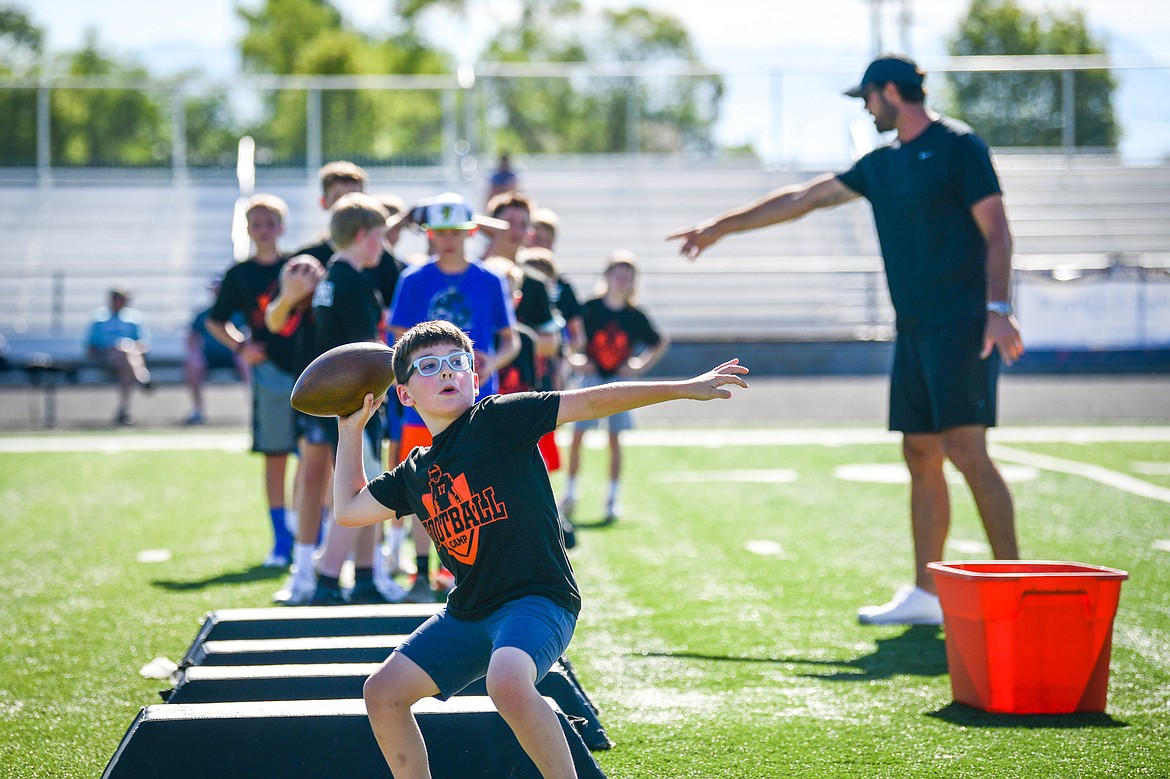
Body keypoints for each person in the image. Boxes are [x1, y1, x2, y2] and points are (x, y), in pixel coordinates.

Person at [667, 54, 1024, 626]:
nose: (866, 108)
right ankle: (927, 593)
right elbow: (802, 198)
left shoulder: (960, 146)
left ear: (890, 92)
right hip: (912, 330)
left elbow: (998, 231)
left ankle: (1014, 587)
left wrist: (998, 310)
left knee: (966, 450)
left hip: (963, 324)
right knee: (920, 452)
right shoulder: (880, 164)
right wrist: (720, 227)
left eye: (867, 98)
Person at [332, 319, 750, 779]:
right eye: (429, 366)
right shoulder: (415, 471)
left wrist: (684, 388)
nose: (447, 373)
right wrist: (349, 430)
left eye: (457, 363)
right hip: (469, 612)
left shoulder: (498, 419)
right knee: (382, 692)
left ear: (476, 376)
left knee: (507, 680)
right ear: (405, 394)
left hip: (538, 599)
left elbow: (591, 400)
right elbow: (349, 509)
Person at [388, 192, 520, 602]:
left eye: (455, 232)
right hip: (425, 406)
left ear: (472, 233)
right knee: (425, 489)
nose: (447, 239)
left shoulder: (490, 280)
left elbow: (511, 341)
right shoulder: (413, 279)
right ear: (429, 233)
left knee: (481, 490)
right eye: (440, 231)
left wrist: (493, 363)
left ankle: (475, 576)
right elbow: (397, 340)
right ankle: (423, 576)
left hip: (476, 401)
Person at [207, 193, 299, 568]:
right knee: (275, 456)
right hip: (271, 375)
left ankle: (315, 534)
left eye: (270, 223)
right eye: (256, 224)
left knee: (317, 459)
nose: (263, 230)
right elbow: (216, 320)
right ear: (248, 229)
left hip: (308, 369)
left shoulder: (299, 266)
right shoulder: (239, 273)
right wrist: (241, 346)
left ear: (282, 227)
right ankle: (281, 541)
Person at [560, 252, 669, 524]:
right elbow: (567, 334)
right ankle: (570, 494)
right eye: (617, 275)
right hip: (591, 378)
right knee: (577, 436)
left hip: (619, 381)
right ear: (606, 277)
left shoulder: (635, 315)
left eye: (627, 277)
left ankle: (612, 498)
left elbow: (659, 341)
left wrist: (638, 366)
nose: (622, 282)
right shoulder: (590, 307)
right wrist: (574, 359)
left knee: (615, 438)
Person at [184, 275, 249, 425]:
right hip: (209, 356)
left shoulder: (239, 313)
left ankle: (254, 409)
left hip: (234, 354)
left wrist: (241, 349)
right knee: (193, 364)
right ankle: (197, 410)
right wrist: (195, 354)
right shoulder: (203, 315)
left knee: (247, 362)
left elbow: (247, 335)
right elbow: (192, 339)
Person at [85, 287, 152, 426]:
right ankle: (142, 375)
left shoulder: (135, 318)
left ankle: (123, 409)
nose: (120, 302)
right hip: (105, 359)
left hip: (128, 359)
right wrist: (114, 348)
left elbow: (143, 344)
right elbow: (91, 347)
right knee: (122, 351)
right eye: (118, 299)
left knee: (126, 353)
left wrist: (126, 346)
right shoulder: (99, 318)